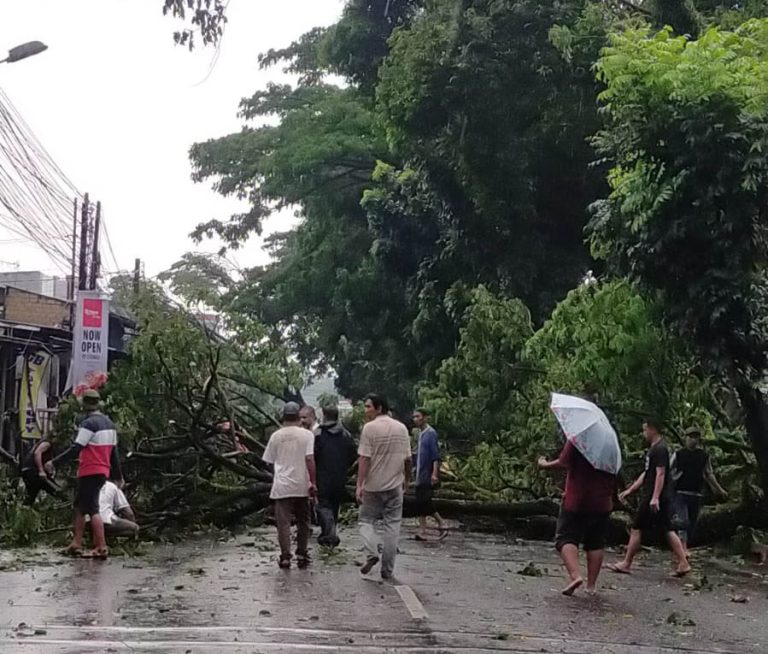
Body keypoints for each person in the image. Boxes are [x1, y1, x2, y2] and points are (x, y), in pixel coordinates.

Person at [609, 419, 691, 577]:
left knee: (636, 527)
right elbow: (648, 473)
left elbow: (661, 473)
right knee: (667, 528)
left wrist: (655, 497)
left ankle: (626, 563)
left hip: (654, 496)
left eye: (645, 429)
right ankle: (683, 562)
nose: (644, 433)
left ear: (653, 429)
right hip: (655, 495)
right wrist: (630, 490)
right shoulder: (654, 449)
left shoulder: (660, 449)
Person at [539, 439, 617, 595]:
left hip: (577, 499)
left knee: (566, 537)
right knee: (596, 543)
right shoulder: (610, 444)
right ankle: (591, 586)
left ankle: (575, 576)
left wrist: (544, 464)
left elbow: (563, 462)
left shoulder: (578, 439)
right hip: (602, 501)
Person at [52, 389, 122, 560]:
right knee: (79, 506)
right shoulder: (110, 424)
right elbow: (114, 453)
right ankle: (76, 543)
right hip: (102, 470)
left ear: (84, 404)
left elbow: (77, 447)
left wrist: (54, 462)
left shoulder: (89, 424)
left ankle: (101, 546)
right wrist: (118, 475)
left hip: (90, 470)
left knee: (92, 509)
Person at [356, 393, 411, 581]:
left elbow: (364, 458)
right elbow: (408, 459)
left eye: (368, 406)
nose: (366, 411)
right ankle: (387, 570)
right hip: (395, 485)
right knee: (392, 526)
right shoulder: (401, 428)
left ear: (379, 408)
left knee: (365, 521)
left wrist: (360, 484)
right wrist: (407, 480)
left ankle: (372, 552)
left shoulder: (369, 428)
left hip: (373, 486)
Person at [262, 402, 317, 569]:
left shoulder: (276, 436)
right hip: (301, 483)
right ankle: (302, 553)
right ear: (298, 416)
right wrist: (313, 481)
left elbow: (269, 461)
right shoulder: (307, 435)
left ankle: (285, 556)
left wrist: (278, 473)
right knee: (303, 520)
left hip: (282, 485)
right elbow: (309, 459)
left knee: (283, 523)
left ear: (283, 417)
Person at [672, 427, 727, 551]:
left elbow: (708, 473)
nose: (693, 440)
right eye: (691, 437)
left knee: (692, 523)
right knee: (683, 521)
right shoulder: (678, 454)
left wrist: (719, 489)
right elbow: (669, 470)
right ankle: (682, 549)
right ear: (685, 438)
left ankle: (684, 546)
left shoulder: (703, 456)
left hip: (696, 493)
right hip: (680, 492)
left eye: (696, 437)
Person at [313, 405, 357, 547]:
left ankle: (329, 533)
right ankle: (329, 533)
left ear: (324, 415)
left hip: (322, 475)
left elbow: (312, 455)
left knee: (323, 505)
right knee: (334, 505)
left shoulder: (318, 434)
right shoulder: (346, 435)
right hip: (340, 476)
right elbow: (353, 455)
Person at [412, 408, 446, 541]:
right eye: (414, 417)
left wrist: (434, 473)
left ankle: (441, 523)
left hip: (427, 473)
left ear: (425, 417)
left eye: (418, 416)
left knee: (425, 501)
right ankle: (422, 529)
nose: (415, 419)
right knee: (419, 501)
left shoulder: (431, 433)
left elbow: (435, 455)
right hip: (420, 473)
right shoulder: (421, 434)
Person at [20, 437, 62, 505]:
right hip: (34, 472)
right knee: (56, 491)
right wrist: (41, 471)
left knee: (31, 496)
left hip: (27, 470)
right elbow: (37, 453)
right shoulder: (47, 443)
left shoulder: (40, 443)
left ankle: (24, 508)